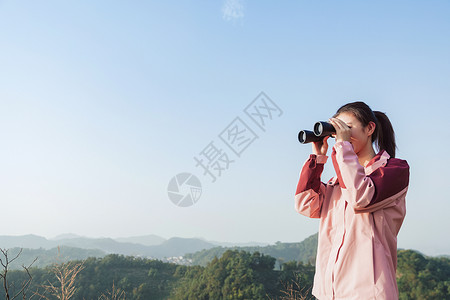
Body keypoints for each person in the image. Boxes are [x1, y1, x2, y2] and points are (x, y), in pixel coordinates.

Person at [294, 101, 410, 300]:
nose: (340, 135)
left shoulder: (394, 171)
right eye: (336, 130)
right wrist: (317, 158)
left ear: (370, 128)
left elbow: (360, 197)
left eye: (346, 128)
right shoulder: (337, 183)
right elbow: (305, 204)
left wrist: (343, 147)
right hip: (329, 292)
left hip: (368, 292)